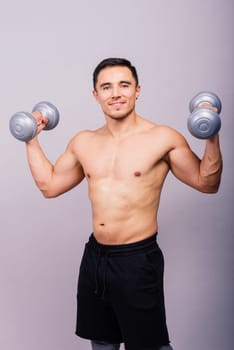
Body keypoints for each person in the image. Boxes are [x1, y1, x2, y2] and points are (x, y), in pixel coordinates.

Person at [25, 58, 222, 350]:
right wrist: (31, 139)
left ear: (137, 90)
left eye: (124, 85)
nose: (115, 93)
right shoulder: (83, 142)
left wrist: (211, 133)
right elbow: (50, 186)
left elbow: (208, 183)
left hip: (137, 260)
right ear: (96, 94)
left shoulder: (162, 138)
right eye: (106, 87)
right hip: (95, 258)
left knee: (148, 345)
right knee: (102, 343)